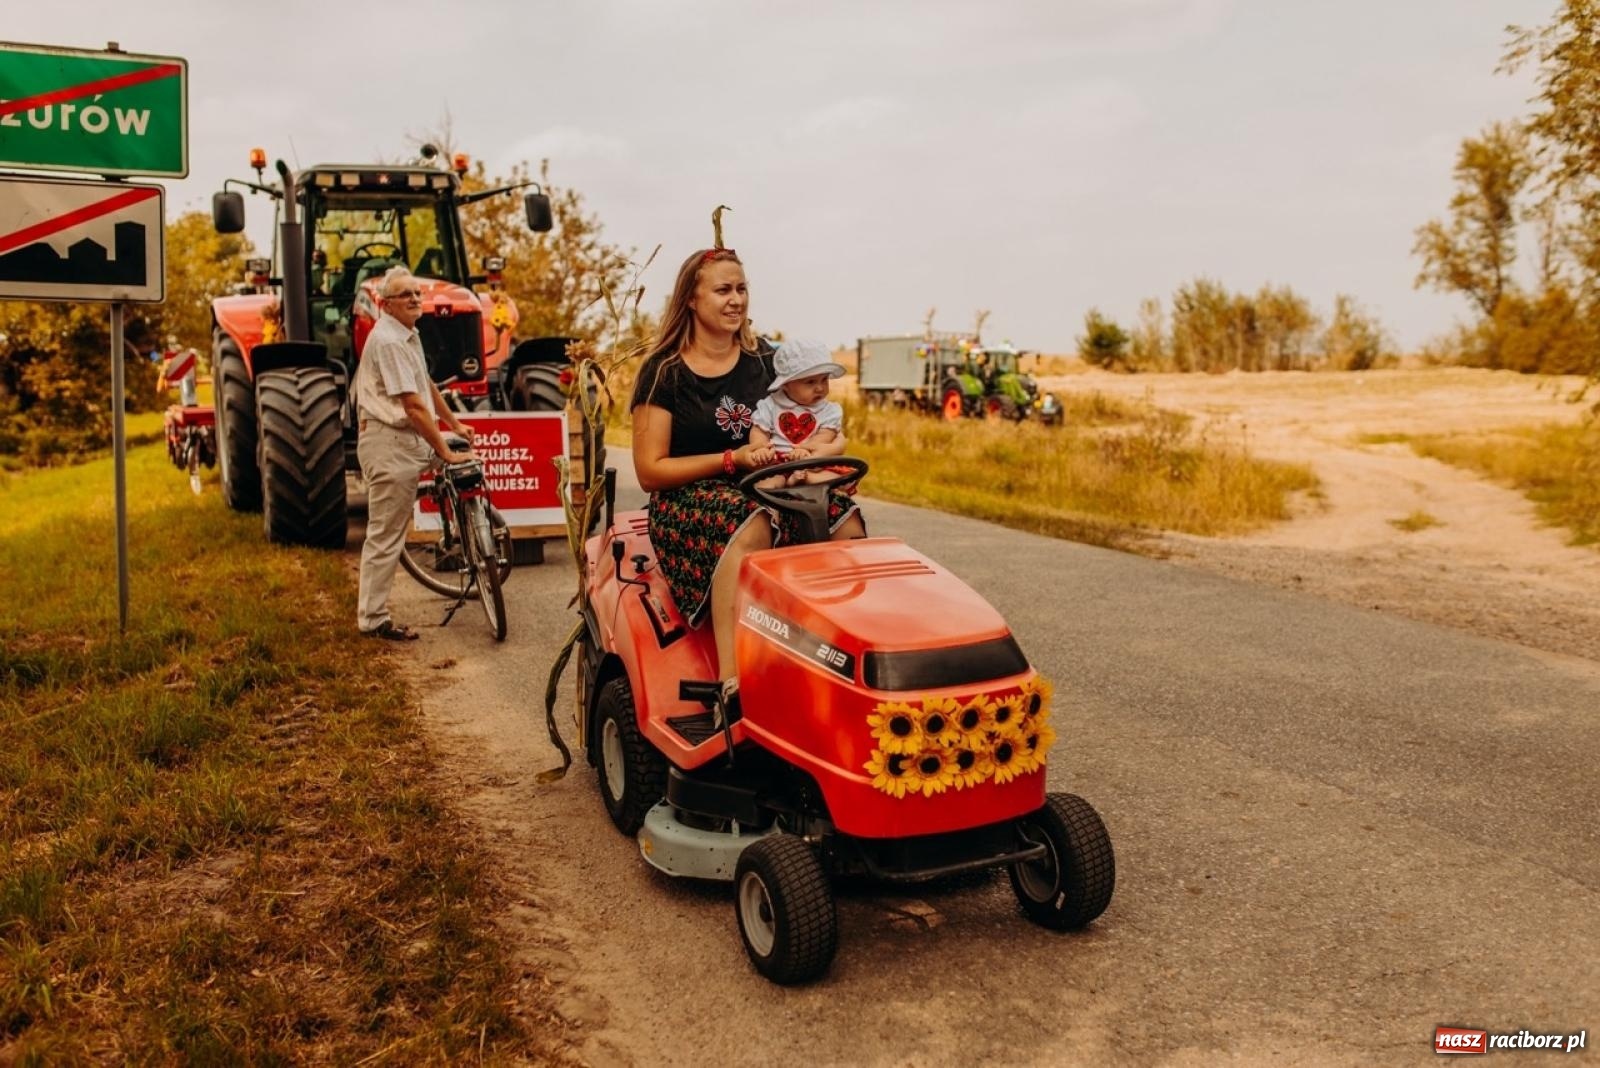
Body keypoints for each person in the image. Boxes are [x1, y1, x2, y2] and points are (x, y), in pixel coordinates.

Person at [631, 248, 866, 709]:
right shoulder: (664, 373)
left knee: (842, 519)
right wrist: (731, 459)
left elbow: (816, 413)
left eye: (741, 289)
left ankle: (841, 658)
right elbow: (650, 471)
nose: (736, 300)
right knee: (752, 520)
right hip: (690, 494)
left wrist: (819, 454)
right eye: (722, 290)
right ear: (691, 301)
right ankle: (732, 681)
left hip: (770, 481)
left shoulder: (766, 363)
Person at [355, 267, 476, 641]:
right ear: (385, 304)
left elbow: (425, 388)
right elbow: (412, 406)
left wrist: (454, 427)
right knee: (385, 535)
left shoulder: (408, 334)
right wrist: (444, 449)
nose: (413, 299)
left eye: (416, 293)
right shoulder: (389, 340)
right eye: (404, 295)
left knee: (468, 463)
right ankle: (372, 620)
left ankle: (473, 541)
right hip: (390, 443)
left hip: (410, 439)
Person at [748, 337, 847, 487]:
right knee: (765, 482)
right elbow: (759, 430)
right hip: (777, 462)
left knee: (838, 477)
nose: (820, 388)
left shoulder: (829, 410)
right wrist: (760, 447)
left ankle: (805, 478)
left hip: (812, 461)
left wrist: (805, 449)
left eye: (824, 380)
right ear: (786, 385)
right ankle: (772, 498)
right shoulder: (770, 405)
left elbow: (826, 435)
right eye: (810, 382)